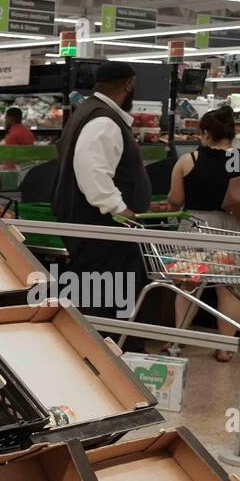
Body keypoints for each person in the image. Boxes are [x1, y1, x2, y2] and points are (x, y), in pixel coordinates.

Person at [156, 107, 240, 362]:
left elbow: (176, 199)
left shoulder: (190, 160)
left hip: (198, 228)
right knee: (229, 289)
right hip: (236, 228)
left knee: (188, 284)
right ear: (233, 133)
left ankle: (177, 341)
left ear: (206, 133)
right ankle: (225, 348)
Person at [51, 61, 152, 317]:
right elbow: (92, 171)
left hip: (93, 227)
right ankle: (107, 348)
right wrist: (119, 208)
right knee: (105, 304)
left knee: (94, 295)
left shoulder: (88, 112)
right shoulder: (104, 121)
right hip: (104, 228)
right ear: (129, 85)